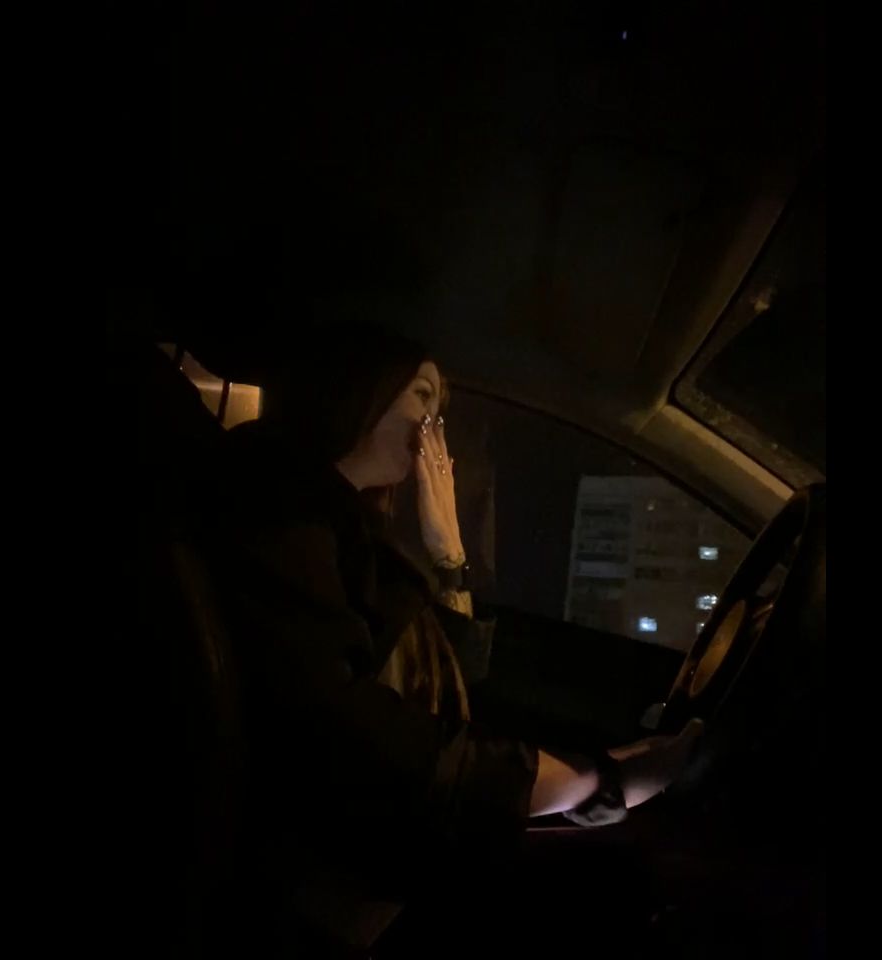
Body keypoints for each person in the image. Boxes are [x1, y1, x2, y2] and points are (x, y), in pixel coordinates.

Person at [208, 324, 702, 954]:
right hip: (314, 887)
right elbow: (351, 734)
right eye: (421, 395)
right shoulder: (279, 509)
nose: (431, 425)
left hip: (369, 857)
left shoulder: (342, 523)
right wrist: (590, 782)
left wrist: (449, 555)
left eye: (438, 409)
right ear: (359, 387)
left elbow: (436, 681)